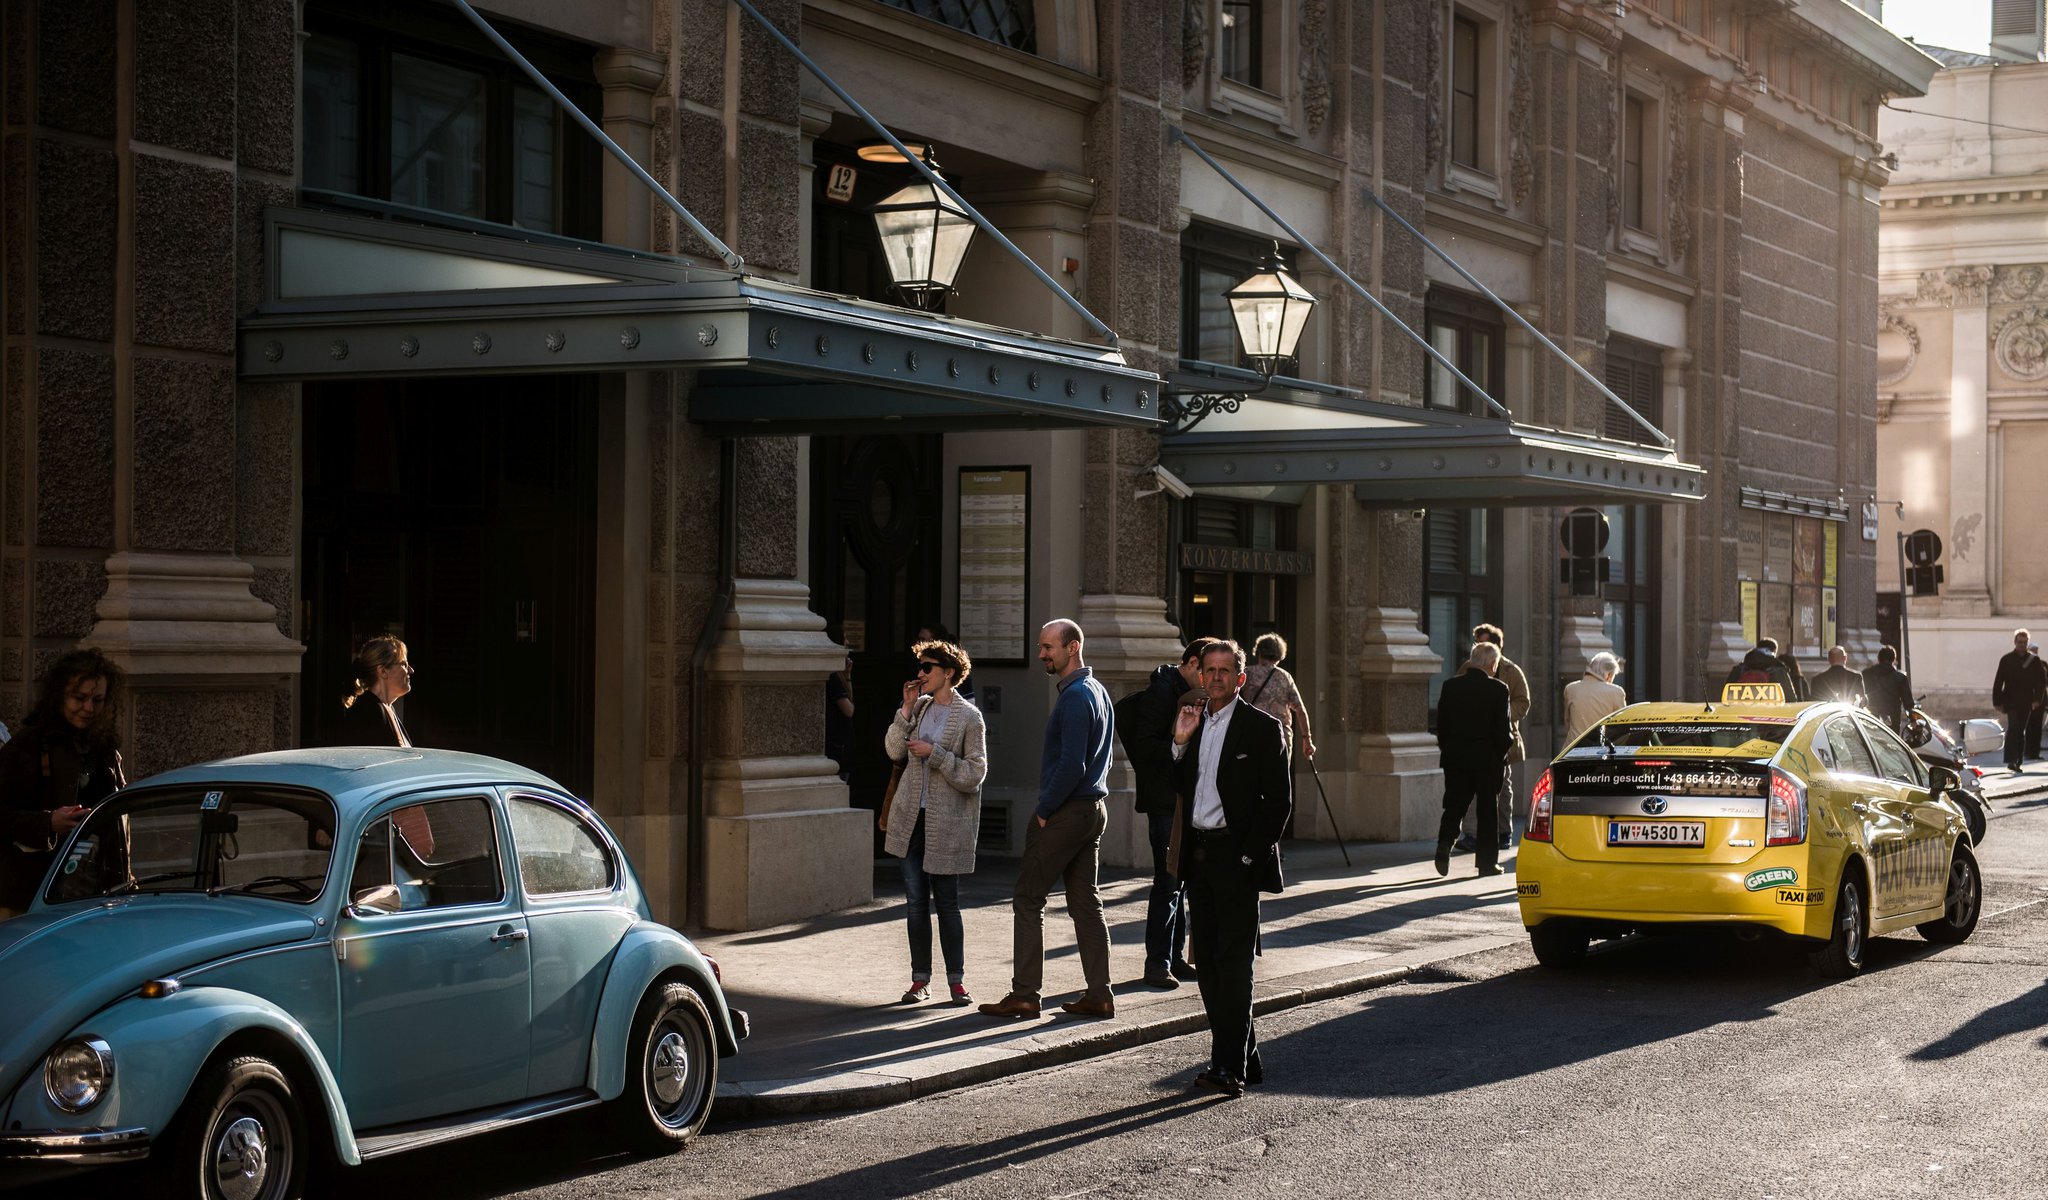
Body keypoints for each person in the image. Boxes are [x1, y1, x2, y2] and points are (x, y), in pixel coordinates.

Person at [1168, 640, 1291, 1098]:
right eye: (1210, 670)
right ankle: (1247, 1057)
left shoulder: (1263, 729)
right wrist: (1179, 743)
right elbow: (1176, 787)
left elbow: (1279, 804)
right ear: (1201, 676)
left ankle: (1226, 1066)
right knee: (1210, 965)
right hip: (1197, 857)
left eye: (1226, 671)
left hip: (1236, 859)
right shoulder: (1193, 722)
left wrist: (1247, 856)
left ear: (1240, 679)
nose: (1216, 677)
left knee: (1233, 964)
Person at [980, 619, 1116, 1020]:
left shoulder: (1075, 697)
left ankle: (1025, 994)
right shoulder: (1098, 691)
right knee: (1085, 903)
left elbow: (1072, 764)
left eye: (1048, 648)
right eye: (1040, 647)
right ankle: (1099, 994)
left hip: (1067, 810)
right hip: (1093, 809)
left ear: (1072, 648)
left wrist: (1043, 810)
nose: (1042, 654)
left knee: (1027, 898)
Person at [881, 639, 988, 1006]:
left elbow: (975, 772)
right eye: (920, 667)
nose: (920, 674)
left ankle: (956, 982)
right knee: (914, 902)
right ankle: (919, 980)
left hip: (946, 823)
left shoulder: (970, 717)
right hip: (912, 818)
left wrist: (936, 754)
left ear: (949, 674)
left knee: (947, 903)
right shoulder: (920, 708)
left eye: (928, 668)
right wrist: (905, 710)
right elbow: (894, 751)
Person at [1117, 637, 1215, 990]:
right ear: (1190, 664)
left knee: (1181, 881)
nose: (1209, 680)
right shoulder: (1164, 691)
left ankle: (1173, 958)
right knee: (1168, 881)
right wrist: (1179, 740)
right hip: (1165, 803)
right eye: (1205, 672)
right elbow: (1146, 746)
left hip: (1184, 799)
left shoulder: (1188, 691)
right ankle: (1157, 963)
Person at [0, 649, 128, 918]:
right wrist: (48, 824)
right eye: (79, 698)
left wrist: (124, 883)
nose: (89, 708)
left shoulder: (105, 751)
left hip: (90, 895)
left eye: (98, 700)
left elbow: (119, 826)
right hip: (30, 898)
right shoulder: (29, 745)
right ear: (59, 695)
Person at [1434, 641, 1513, 879]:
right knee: (1488, 810)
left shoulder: (1450, 686)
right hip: (1487, 760)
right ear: (1491, 664)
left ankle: (1444, 844)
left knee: (1455, 805)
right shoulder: (1499, 689)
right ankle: (1487, 864)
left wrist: (1449, 750)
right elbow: (1503, 730)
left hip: (1456, 758)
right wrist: (1504, 749)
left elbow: (1442, 726)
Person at [1457, 624, 1527, 852]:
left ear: (1497, 646)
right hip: (1474, 737)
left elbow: (1523, 702)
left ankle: (1503, 833)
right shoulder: (1468, 668)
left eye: (1483, 642)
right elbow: (1457, 695)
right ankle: (1471, 834)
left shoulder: (1511, 670)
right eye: (1476, 643)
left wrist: (1503, 717)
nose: (1478, 647)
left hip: (1501, 738)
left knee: (1503, 786)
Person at [1242, 633, 1315, 762]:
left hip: (1253, 732)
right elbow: (1300, 710)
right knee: (1279, 778)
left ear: (1258, 652)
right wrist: (1306, 740)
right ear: (1279, 655)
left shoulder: (1247, 674)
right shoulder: (1284, 677)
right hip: (1280, 734)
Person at [333, 634, 415, 747]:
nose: (411, 670)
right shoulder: (368, 713)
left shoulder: (387, 708)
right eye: (403, 664)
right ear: (383, 671)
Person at [1990, 628, 2042, 771]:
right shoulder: (2006, 660)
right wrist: (1997, 701)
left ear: (2027, 643)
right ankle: (2011, 760)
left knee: (2021, 730)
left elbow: (2041, 682)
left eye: (2025, 642)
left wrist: (2037, 699)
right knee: (2013, 728)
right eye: (2020, 642)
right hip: (2010, 701)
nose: (2022, 645)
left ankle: (2018, 760)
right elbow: (1999, 681)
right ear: (2015, 642)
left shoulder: (2034, 661)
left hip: (2026, 702)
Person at [1561, 652, 1627, 744]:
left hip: (1572, 750)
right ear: (1609, 675)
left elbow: (1567, 722)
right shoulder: (1616, 692)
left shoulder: (1571, 689)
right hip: (1600, 752)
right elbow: (1622, 728)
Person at [914, 623, 974, 705]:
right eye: (920, 667)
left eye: (922, 640)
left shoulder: (958, 673)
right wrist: (908, 704)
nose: (920, 674)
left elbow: (969, 705)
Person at [1863, 645, 1913, 733]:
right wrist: (1913, 719)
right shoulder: (1900, 677)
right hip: (1892, 720)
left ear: (1879, 659)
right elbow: (1908, 703)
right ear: (1894, 659)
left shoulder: (1866, 674)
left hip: (1871, 716)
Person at [1725, 638, 1795, 695]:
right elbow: (1790, 699)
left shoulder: (1739, 669)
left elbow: (1726, 695)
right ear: (1774, 651)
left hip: (1742, 711)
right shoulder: (1778, 671)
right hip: (1770, 711)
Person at [825, 654, 855, 783]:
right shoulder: (832, 677)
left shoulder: (838, 677)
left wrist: (847, 676)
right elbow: (849, 710)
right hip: (835, 745)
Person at [2026, 644, 2048, 762]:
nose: (2035, 652)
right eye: (2032, 650)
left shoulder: (2042, 664)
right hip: (2029, 699)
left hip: (2042, 699)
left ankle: (2035, 752)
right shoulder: (2025, 664)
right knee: (2029, 726)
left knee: (2038, 727)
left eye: (2036, 651)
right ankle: (2027, 751)